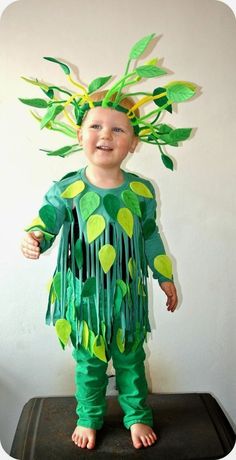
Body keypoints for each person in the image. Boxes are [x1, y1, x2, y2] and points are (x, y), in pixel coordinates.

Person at [20, 34, 195, 450]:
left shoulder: (142, 191)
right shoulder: (66, 189)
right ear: (79, 133)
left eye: (118, 129)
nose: (106, 134)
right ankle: (89, 417)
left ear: (133, 143)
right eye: (95, 125)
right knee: (89, 364)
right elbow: (47, 221)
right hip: (81, 299)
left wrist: (164, 277)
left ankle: (137, 415)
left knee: (133, 360)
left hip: (127, 296)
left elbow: (150, 236)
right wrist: (35, 238)